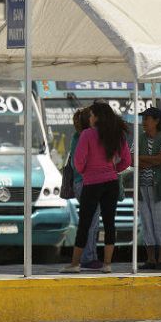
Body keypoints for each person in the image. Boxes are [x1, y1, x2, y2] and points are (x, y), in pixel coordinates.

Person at [60, 102, 131, 274]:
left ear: (97, 116)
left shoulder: (87, 134)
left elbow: (78, 162)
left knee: (85, 223)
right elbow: (127, 160)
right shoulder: (117, 134)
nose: (89, 118)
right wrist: (113, 170)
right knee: (109, 223)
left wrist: (87, 172)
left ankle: (75, 264)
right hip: (111, 183)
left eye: (91, 115)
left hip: (92, 183)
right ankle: (107, 264)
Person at [131, 107, 161, 270]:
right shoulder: (139, 138)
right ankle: (151, 259)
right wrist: (153, 160)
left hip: (160, 189)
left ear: (156, 121)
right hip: (142, 188)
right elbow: (131, 160)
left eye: (147, 119)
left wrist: (141, 160)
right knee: (147, 223)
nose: (144, 122)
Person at [68, 108, 103, 270]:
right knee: (92, 222)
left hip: (81, 183)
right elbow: (80, 163)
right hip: (87, 183)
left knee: (91, 222)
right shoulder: (86, 137)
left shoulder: (78, 136)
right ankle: (89, 257)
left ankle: (89, 255)